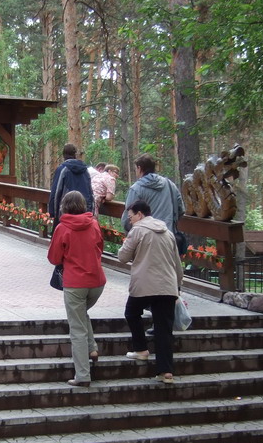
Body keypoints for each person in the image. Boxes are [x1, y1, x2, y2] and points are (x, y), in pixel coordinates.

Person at [117, 200, 184, 384]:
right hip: (168, 286)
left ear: (140, 214)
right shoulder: (168, 232)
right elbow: (177, 264)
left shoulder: (137, 230)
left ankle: (141, 349)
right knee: (164, 329)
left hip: (144, 285)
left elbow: (122, 256)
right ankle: (166, 372)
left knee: (132, 312)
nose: (130, 221)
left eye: (131, 217)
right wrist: (178, 285)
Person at [47, 190, 106, 387]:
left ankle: (82, 375)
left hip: (75, 284)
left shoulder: (62, 228)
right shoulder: (94, 224)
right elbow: (100, 248)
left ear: (64, 206)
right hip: (97, 282)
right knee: (80, 315)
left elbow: (54, 258)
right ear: (83, 205)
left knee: (77, 327)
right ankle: (92, 348)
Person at [120, 153, 184, 237]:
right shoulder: (170, 184)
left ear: (139, 168)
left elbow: (128, 218)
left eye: (136, 169)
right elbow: (180, 209)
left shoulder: (136, 189)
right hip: (168, 237)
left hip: (146, 239)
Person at [48, 143, 93, 226]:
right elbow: (90, 193)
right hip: (83, 215)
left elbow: (55, 192)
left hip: (65, 215)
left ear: (63, 155)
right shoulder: (85, 171)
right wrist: (90, 212)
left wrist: (53, 213)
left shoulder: (62, 169)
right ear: (75, 154)